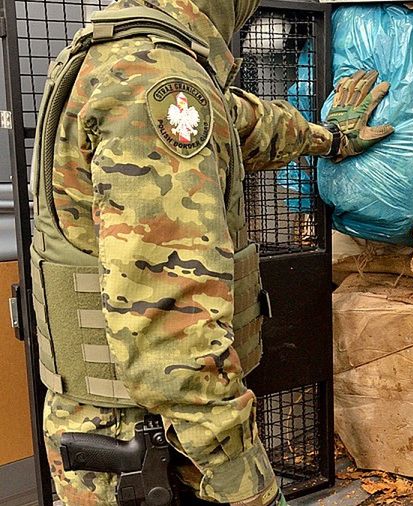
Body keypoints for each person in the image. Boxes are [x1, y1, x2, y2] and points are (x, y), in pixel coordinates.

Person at [34, 0, 392, 504]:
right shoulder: (155, 80)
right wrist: (247, 485)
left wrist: (331, 139)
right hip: (146, 440)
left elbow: (246, 123)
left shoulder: (135, 55)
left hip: (149, 428)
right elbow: (172, 332)